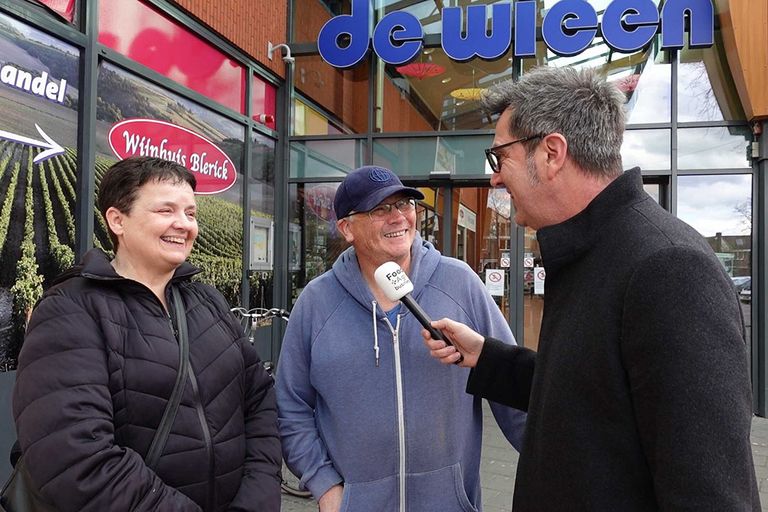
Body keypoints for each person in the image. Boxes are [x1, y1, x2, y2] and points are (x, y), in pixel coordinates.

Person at [423, 66, 760, 510]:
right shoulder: (592, 250)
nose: (495, 178)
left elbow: (710, 492)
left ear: (551, 153)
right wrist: (488, 357)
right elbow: (591, 395)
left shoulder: (669, 267)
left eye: (499, 157)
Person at [12, 156, 281, 511]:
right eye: (165, 210)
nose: (183, 224)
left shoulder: (207, 301)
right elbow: (76, 459)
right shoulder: (71, 311)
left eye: (190, 213)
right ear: (117, 220)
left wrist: (255, 503)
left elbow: (259, 403)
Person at [275, 165, 527, 511]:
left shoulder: (460, 284)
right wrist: (326, 486)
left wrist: (563, 464)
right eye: (380, 209)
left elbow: (510, 390)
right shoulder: (316, 303)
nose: (398, 218)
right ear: (347, 228)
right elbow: (291, 406)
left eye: (405, 205)